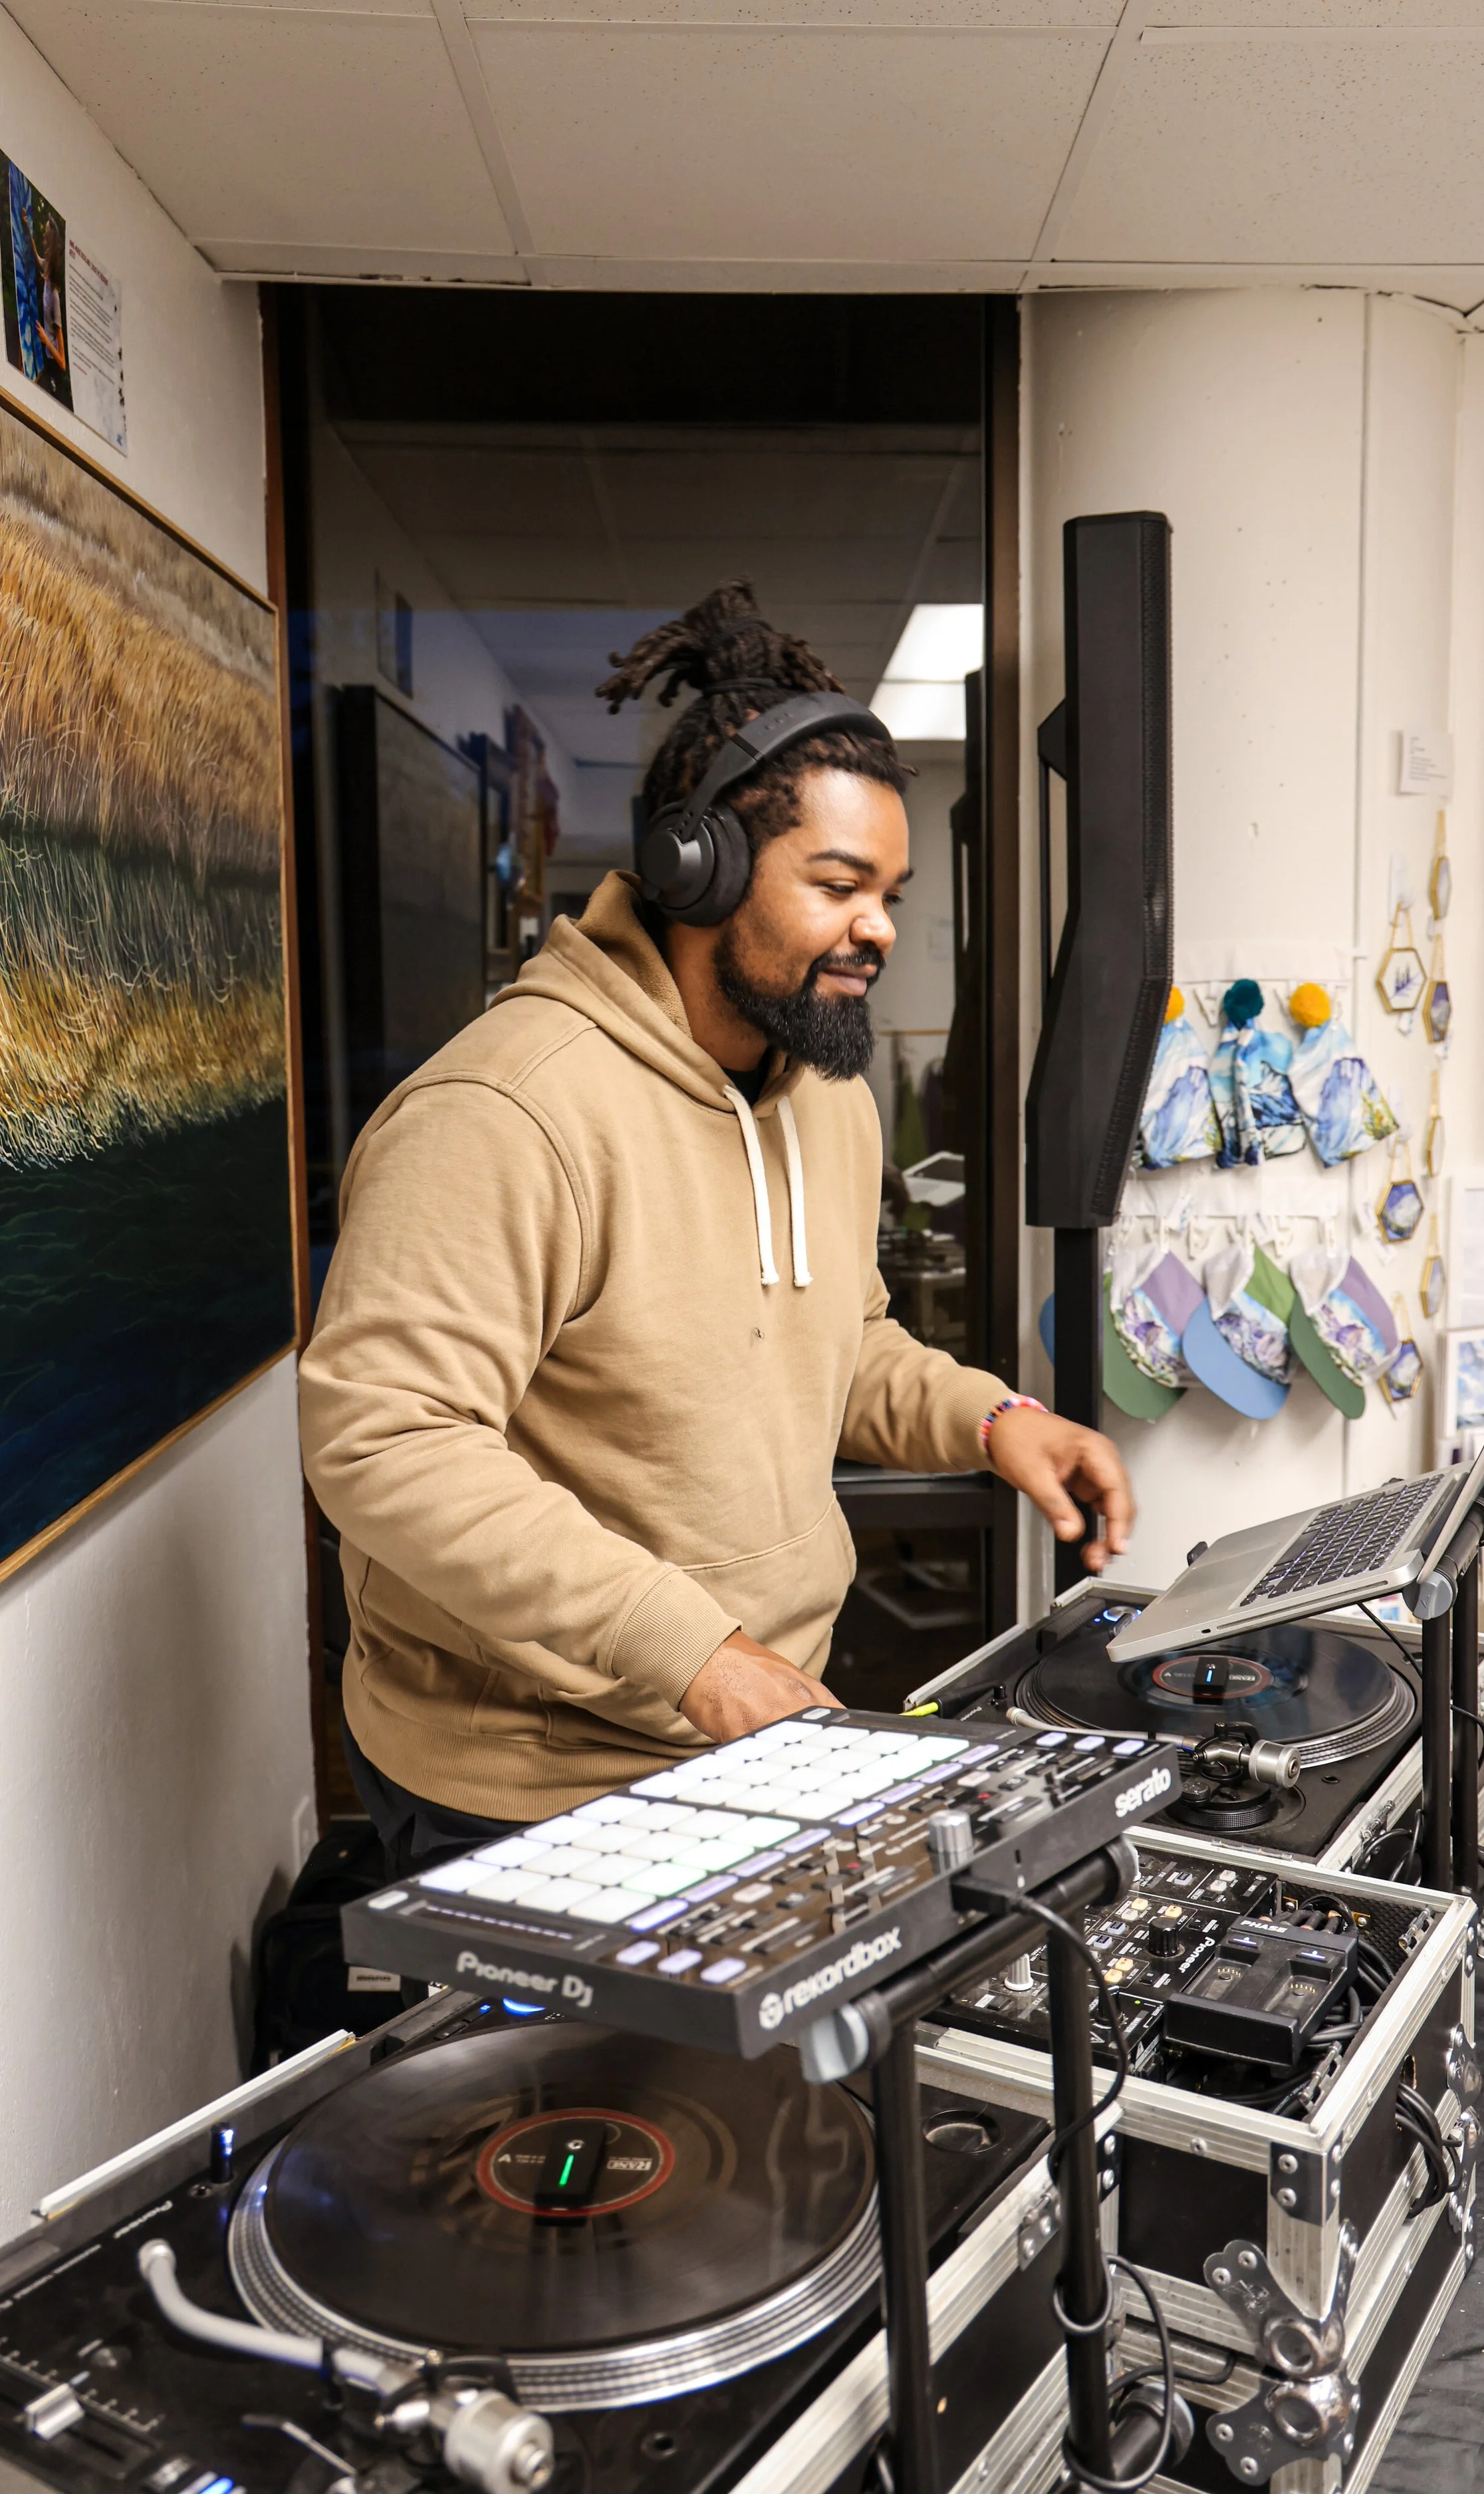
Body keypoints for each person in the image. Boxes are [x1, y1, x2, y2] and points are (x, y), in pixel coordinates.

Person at [299, 583, 1133, 1873]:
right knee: (597, 2089)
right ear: (703, 867)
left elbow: (840, 1342)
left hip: (751, 1724)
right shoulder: (507, 1109)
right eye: (839, 885)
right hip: (533, 1775)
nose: (878, 929)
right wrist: (689, 1648)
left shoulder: (826, 1095)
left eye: (891, 892)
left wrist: (993, 1420)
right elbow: (384, 1440)